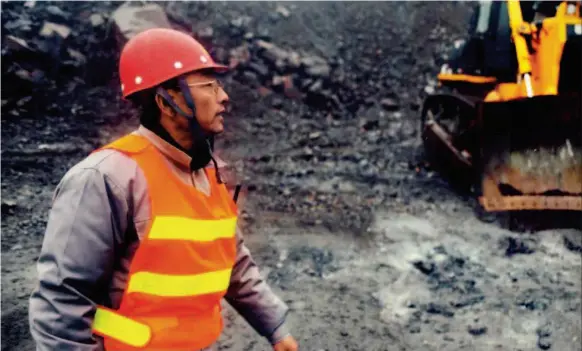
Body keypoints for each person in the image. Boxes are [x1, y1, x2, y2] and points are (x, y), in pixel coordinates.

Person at [28, 27, 299, 351]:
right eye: (209, 86)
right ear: (166, 103)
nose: (224, 97)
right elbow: (62, 301)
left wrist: (275, 326)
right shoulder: (106, 178)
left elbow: (234, 261)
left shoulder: (212, 172)